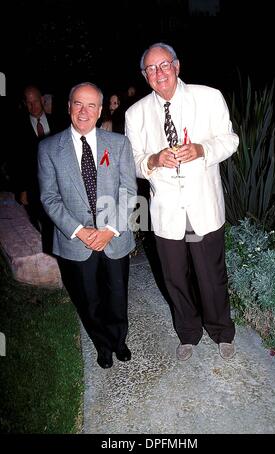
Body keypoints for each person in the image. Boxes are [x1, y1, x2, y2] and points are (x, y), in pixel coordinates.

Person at [125, 43, 239, 361]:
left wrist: (202, 149)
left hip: (203, 205)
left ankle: (221, 331)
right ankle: (188, 332)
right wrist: (154, 159)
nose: (159, 73)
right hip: (165, 212)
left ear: (177, 66)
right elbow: (131, 161)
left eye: (164, 65)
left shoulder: (209, 96)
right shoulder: (135, 113)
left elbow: (230, 139)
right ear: (145, 75)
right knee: (174, 276)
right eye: (151, 69)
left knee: (210, 274)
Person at [38, 82, 137, 369]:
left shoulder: (118, 144)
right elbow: (49, 197)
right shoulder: (48, 149)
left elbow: (129, 192)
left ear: (100, 110)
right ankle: (102, 345)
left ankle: (119, 341)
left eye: (91, 105)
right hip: (75, 241)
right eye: (78, 104)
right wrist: (81, 232)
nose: (84, 111)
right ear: (68, 107)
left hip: (114, 237)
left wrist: (109, 231)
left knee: (117, 296)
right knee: (90, 301)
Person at [14, 85, 58, 253]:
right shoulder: (18, 128)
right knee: (41, 221)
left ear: (42, 100)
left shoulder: (58, 122)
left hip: (57, 184)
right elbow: (17, 162)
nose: (33, 106)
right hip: (33, 187)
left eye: (36, 101)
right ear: (25, 104)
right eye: (29, 103)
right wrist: (22, 189)